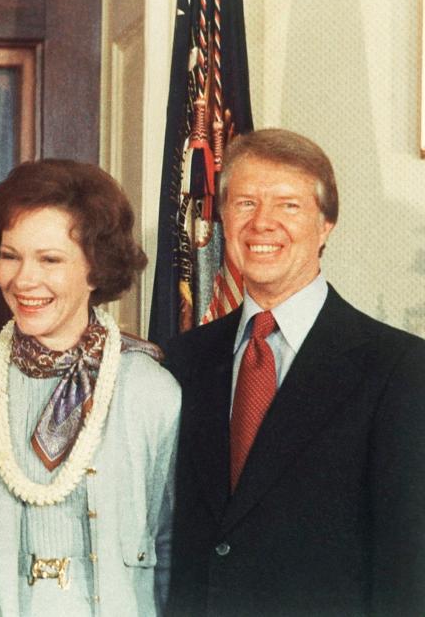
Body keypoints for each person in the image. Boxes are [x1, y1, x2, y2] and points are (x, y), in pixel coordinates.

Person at [163, 129, 425, 616]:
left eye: (288, 206)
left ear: (325, 225)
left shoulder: (400, 369)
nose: (262, 223)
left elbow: (409, 565)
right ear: (222, 216)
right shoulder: (180, 361)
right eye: (244, 203)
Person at [0, 159, 181, 616]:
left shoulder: (152, 390)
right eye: (11, 255)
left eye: (50, 259)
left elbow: (171, 547)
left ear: (96, 268)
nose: (24, 279)